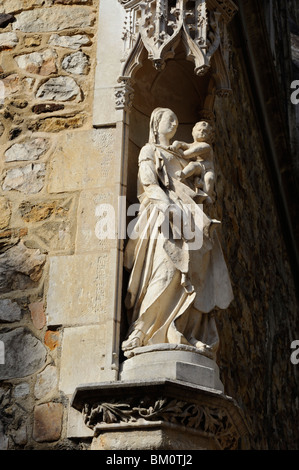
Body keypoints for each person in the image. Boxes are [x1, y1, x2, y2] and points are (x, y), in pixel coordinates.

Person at [122, 108, 233, 359]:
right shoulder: (149, 151)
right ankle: (142, 330)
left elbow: (201, 180)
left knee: (197, 271)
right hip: (165, 213)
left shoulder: (183, 154)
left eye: (176, 117)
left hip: (192, 216)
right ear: (155, 123)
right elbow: (149, 181)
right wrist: (168, 206)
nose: (173, 122)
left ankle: (185, 330)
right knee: (165, 267)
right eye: (167, 118)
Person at [171, 120, 215, 204]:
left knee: (209, 178)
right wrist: (174, 146)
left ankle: (208, 195)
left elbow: (189, 153)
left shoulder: (206, 146)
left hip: (207, 169)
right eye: (199, 130)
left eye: (205, 131)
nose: (201, 132)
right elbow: (179, 143)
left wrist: (180, 152)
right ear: (193, 132)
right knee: (192, 165)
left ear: (209, 136)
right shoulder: (190, 145)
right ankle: (182, 175)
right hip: (198, 166)